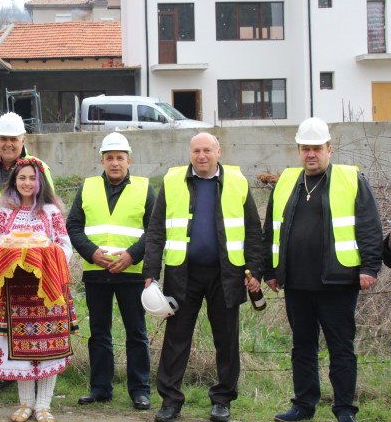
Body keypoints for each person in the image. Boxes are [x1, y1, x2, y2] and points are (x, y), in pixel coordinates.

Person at [263, 118, 383, 422]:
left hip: (338, 282)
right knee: (302, 347)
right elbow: (271, 230)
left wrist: (370, 267)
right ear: (299, 150)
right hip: (296, 283)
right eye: (305, 148)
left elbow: (369, 226)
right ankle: (303, 406)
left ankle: (344, 410)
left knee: (341, 349)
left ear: (329, 149)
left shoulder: (351, 179)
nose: (310, 154)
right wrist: (271, 270)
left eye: (317, 148)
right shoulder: (288, 181)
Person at [143, 132, 263, 422]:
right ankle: (170, 401)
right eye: (196, 150)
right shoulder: (172, 182)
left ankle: (222, 401)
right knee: (176, 339)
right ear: (190, 153)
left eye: (207, 150)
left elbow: (253, 233)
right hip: (182, 273)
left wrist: (255, 271)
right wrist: (150, 273)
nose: (202, 156)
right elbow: (156, 230)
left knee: (227, 340)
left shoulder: (238, 182)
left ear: (219, 152)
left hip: (227, 273)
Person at [0, 111, 54, 395]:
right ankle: (4, 371)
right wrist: (1, 210)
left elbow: (47, 206)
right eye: (3, 139)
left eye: (13, 139)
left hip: (35, 255)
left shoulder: (38, 167)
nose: (8, 144)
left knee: (33, 311)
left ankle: (33, 366)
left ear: (23, 140)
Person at [66, 132, 156, 411]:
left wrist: (131, 256)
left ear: (129, 160)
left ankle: (140, 390)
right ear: (102, 160)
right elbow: (74, 226)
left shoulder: (144, 188)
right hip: (97, 272)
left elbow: (154, 230)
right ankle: (100, 388)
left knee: (136, 333)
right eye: (109, 158)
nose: (114, 163)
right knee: (99, 332)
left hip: (132, 273)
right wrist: (92, 252)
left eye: (119, 158)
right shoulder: (88, 187)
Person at [0, 157, 77, 422]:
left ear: (40, 182)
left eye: (32, 178)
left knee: (48, 346)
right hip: (15, 290)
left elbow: (64, 245)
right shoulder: (4, 211)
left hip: (47, 290)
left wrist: (46, 253)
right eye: (22, 178)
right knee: (20, 348)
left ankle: (44, 405)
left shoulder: (50, 211)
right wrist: (11, 249)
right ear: (14, 182)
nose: (27, 183)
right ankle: (25, 404)